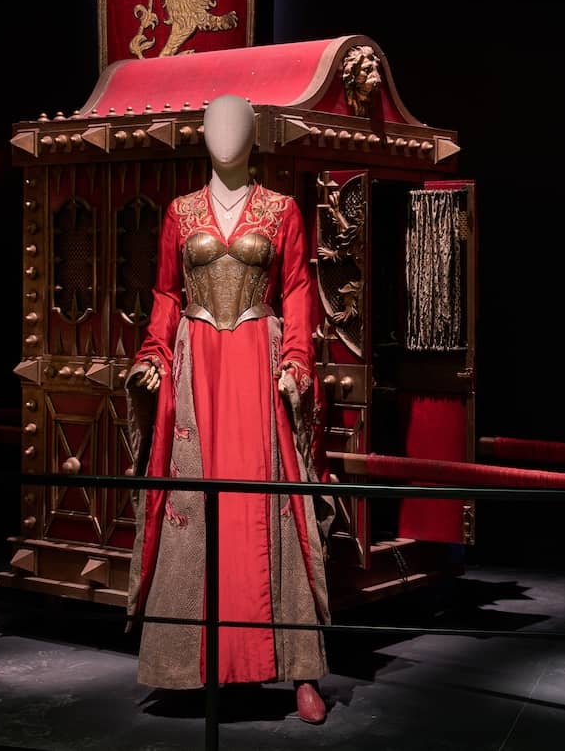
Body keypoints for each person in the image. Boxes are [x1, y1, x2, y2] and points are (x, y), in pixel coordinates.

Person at [125, 94, 331, 724]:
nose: (224, 136)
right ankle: (192, 663)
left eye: (236, 126)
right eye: (213, 124)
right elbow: (165, 290)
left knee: (270, 504)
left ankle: (300, 669)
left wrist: (297, 363)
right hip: (196, 369)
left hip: (256, 364)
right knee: (194, 501)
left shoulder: (283, 210)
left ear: (254, 137)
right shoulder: (181, 212)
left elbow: (296, 290)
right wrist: (154, 352)